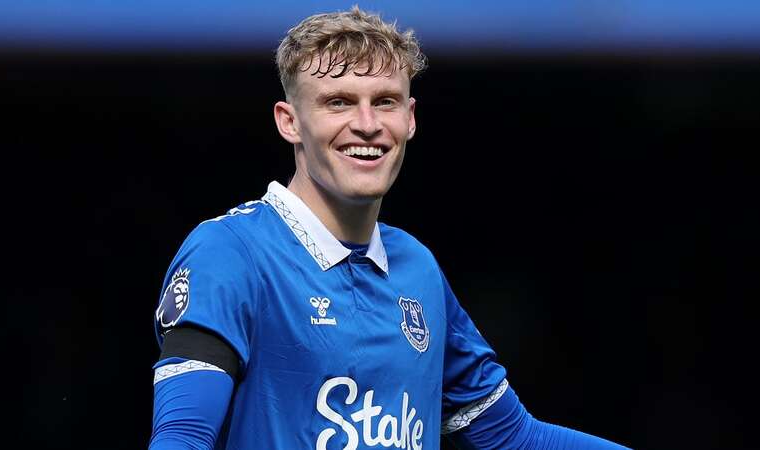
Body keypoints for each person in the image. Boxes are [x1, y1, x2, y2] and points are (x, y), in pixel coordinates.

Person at [149, 6, 630, 450]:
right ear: (289, 121)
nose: (366, 124)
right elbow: (182, 439)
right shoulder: (231, 252)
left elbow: (515, 438)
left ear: (410, 118)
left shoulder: (416, 267)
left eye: (385, 101)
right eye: (337, 102)